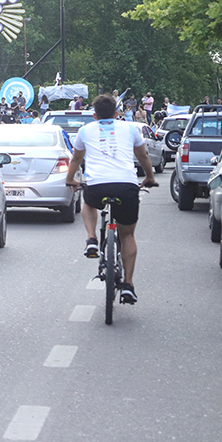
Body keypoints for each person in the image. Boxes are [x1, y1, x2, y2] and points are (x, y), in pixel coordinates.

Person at [65, 95, 158, 304]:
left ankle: (92, 239)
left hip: (98, 185)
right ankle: (128, 285)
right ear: (117, 113)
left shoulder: (85, 131)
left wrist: (70, 179)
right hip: (127, 186)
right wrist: (150, 178)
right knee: (127, 235)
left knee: (88, 203)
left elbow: (77, 158)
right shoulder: (131, 129)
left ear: (94, 114)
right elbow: (143, 157)